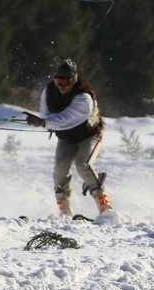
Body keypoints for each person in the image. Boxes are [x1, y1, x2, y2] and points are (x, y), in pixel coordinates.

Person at [26, 59, 113, 217]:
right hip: (67, 137)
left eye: (65, 81)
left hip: (89, 135)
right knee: (60, 166)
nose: (61, 85)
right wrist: (44, 121)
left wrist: (44, 122)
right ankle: (65, 212)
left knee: (83, 165)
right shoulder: (49, 91)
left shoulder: (84, 98)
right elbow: (47, 115)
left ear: (73, 80)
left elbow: (66, 119)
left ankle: (105, 208)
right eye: (58, 80)